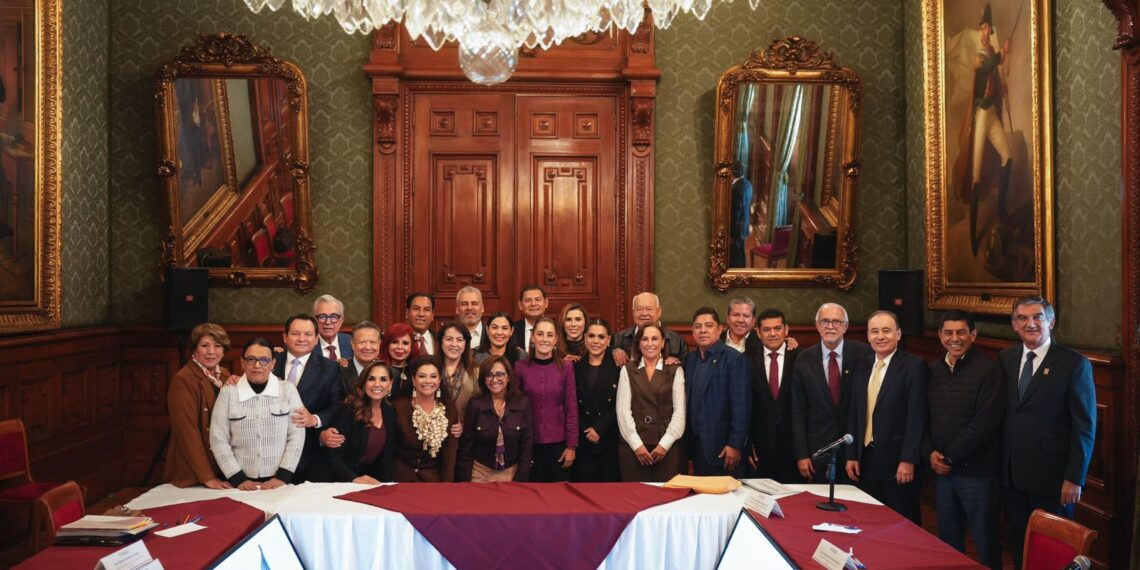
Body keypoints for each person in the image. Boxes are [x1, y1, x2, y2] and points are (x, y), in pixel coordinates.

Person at [1000, 296, 1095, 569]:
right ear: (1014, 325)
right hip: (1011, 475)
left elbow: (1085, 426)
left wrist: (1074, 478)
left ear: (1050, 322)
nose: (1030, 324)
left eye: (1037, 317)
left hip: (1053, 479)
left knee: (1054, 551)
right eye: (1022, 318)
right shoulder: (1006, 358)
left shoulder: (1074, 364)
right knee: (1019, 544)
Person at [926, 310, 1003, 570]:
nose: (955, 338)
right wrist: (930, 453)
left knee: (986, 543)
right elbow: (924, 418)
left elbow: (985, 424)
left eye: (961, 332)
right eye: (948, 333)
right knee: (948, 542)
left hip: (978, 476)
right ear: (940, 336)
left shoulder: (989, 370)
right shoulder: (933, 370)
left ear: (973, 335)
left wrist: (949, 458)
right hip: (943, 475)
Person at [846, 311, 927, 524]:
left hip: (897, 460)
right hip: (865, 458)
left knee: (902, 522)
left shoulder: (914, 366)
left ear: (898, 334)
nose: (880, 336)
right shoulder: (861, 365)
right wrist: (852, 454)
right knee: (869, 520)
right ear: (868, 336)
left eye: (886, 331)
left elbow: (916, 417)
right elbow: (855, 412)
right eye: (874, 331)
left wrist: (908, 459)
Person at [952, 3, 1014, 254]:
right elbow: (985, 65)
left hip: (992, 116)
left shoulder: (990, 52)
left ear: (991, 30)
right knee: (975, 176)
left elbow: (995, 74)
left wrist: (1003, 84)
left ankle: (1001, 210)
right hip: (980, 118)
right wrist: (1002, 53)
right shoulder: (980, 56)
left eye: (987, 28)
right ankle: (973, 237)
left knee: (1008, 156)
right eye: (982, 28)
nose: (984, 32)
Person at [790, 303, 872, 483]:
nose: (830, 326)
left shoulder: (864, 354)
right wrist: (802, 454)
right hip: (818, 449)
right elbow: (798, 411)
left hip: (855, 449)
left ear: (845, 326)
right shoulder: (804, 359)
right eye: (825, 321)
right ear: (817, 325)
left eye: (836, 321)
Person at [210, 338, 305, 490]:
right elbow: (218, 439)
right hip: (238, 484)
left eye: (264, 360)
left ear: (273, 363)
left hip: (281, 483)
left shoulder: (288, 390)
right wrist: (238, 479)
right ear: (242, 362)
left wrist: (282, 477)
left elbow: (297, 436)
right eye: (251, 359)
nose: (257, 365)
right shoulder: (228, 393)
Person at [273, 314, 344, 482]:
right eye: (295, 333)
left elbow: (336, 405)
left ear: (316, 339)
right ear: (285, 337)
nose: (302, 339)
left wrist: (315, 419)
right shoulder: (270, 363)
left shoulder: (330, 368)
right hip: (270, 449)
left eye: (308, 334)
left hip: (309, 451)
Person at [683, 307, 750, 477]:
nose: (703, 330)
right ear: (692, 331)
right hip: (696, 446)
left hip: (724, 448)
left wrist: (735, 444)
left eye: (709, 325)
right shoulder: (690, 360)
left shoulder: (734, 359)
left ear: (720, 329)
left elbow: (741, 407)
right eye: (698, 326)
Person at [165, 323, 232, 488]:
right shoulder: (183, 379)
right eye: (205, 345)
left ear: (224, 351)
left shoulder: (224, 375)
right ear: (194, 349)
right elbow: (187, 432)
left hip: (221, 466)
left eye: (217, 346)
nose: (211, 352)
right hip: (193, 473)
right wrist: (207, 477)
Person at [616, 324, 686, 482]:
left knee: (666, 495)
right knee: (636, 495)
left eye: (655, 339)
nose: (649, 343)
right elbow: (622, 412)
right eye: (645, 339)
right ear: (638, 343)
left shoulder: (675, 370)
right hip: (634, 445)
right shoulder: (628, 369)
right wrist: (637, 446)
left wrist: (664, 445)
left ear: (662, 343)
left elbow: (680, 413)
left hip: (667, 445)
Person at [515, 317, 578, 482]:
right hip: (529, 442)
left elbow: (571, 408)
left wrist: (571, 446)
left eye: (549, 335)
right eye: (540, 334)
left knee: (558, 493)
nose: (544, 339)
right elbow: (516, 408)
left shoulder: (566, 367)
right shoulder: (520, 367)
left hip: (559, 444)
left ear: (556, 339)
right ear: (533, 337)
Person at [458, 356, 534, 482]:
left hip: (511, 471)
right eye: (489, 375)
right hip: (480, 472)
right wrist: (464, 480)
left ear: (508, 377)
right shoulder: (475, 404)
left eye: (500, 374)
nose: (494, 380)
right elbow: (467, 444)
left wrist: (521, 477)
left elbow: (527, 444)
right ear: (483, 379)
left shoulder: (522, 403)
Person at [323, 362, 397, 484]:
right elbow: (333, 456)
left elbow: (387, 458)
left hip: (371, 481)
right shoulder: (348, 410)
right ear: (363, 383)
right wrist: (354, 479)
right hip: (341, 480)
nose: (377, 384)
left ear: (390, 384)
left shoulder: (390, 411)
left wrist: (385, 486)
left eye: (383, 379)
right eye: (371, 379)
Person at [748, 308, 798, 482]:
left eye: (777, 328)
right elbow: (744, 406)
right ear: (758, 333)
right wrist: (747, 444)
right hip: (760, 446)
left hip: (794, 444)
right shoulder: (746, 360)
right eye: (767, 329)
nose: (773, 334)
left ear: (786, 329)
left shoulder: (801, 357)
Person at [391, 356, 459, 482]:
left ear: (439, 380)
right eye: (422, 376)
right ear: (413, 379)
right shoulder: (397, 407)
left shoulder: (448, 407)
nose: (428, 381)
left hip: (432, 480)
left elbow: (449, 454)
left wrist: (447, 486)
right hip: (399, 479)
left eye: (433, 376)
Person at [572, 318, 621, 482]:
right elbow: (571, 404)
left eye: (601, 337)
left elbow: (621, 405)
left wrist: (599, 429)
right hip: (583, 439)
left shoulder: (618, 367)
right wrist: (587, 430)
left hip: (609, 440)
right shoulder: (574, 367)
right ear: (585, 338)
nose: (595, 341)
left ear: (608, 340)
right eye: (591, 336)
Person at [611, 292, 688, 366]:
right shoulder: (618, 339)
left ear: (659, 312)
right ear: (633, 312)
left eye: (649, 309)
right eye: (639, 309)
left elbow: (685, 369)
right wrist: (613, 352)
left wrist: (677, 364)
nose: (644, 313)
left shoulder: (677, 341)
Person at [438, 321, 479, 441]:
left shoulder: (476, 372)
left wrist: (465, 425)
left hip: (466, 438)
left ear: (466, 343)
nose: (454, 344)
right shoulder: (431, 368)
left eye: (459, 340)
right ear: (441, 341)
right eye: (449, 339)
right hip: (434, 435)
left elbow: (481, 408)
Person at [380, 322, 422, 399]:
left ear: (412, 346)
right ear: (387, 345)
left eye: (405, 343)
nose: (399, 347)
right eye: (394, 342)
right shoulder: (377, 369)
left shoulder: (417, 370)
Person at [340, 321, 382, 395]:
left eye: (373, 342)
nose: (368, 347)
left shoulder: (389, 372)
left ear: (379, 343)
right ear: (352, 344)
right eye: (362, 342)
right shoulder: (339, 372)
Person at [313, 294, 353, 362]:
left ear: (341, 321)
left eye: (333, 317)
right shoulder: (307, 345)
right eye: (322, 317)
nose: (328, 322)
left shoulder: (352, 342)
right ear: (315, 320)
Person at [729, 161, 753, 267]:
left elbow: (736, 214)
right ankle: (743, 271)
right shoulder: (748, 184)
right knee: (741, 252)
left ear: (732, 172)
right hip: (744, 225)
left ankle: (737, 274)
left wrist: (731, 234)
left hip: (737, 229)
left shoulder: (735, 189)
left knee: (735, 256)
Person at [512, 285, 549, 352]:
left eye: (538, 299)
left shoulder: (557, 329)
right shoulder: (511, 330)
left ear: (546, 303)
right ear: (520, 305)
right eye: (528, 300)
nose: (533, 304)